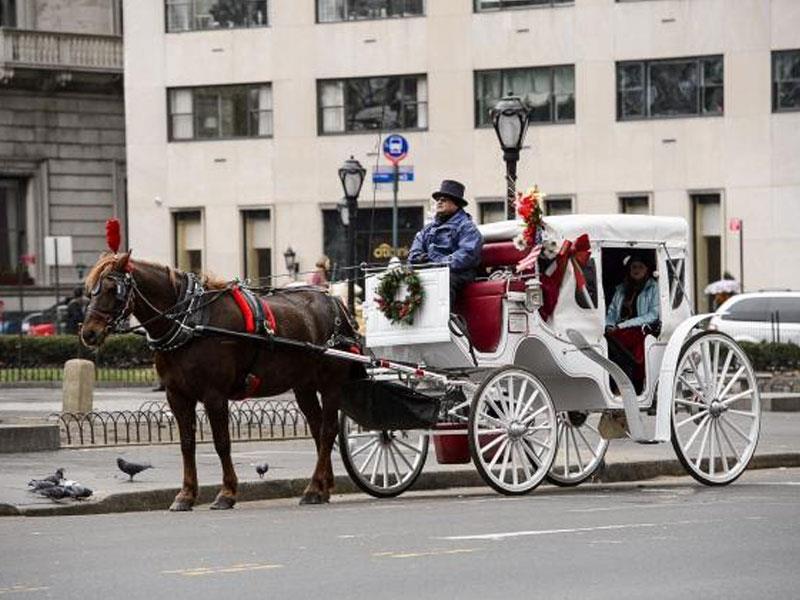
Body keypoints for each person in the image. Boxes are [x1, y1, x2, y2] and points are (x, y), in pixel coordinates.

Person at [408, 179, 483, 307]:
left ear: (456, 204)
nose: (439, 202)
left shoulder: (467, 227)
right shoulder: (428, 229)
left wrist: (440, 262)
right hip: (431, 270)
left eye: (444, 199)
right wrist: (423, 259)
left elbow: (467, 254)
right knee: (403, 279)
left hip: (459, 273)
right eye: (438, 199)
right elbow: (414, 253)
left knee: (443, 281)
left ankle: (446, 320)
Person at [605, 252, 660, 393]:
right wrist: (609, 324)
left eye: (640, 267)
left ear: (647, 269)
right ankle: (618, 385)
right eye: (633, 267)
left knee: (617, 343)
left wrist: (622, 325)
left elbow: (653, 315)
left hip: (641, 329)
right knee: (605, 342)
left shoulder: (653, 288)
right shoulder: (622, 289)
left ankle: (624, 387)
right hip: (619, 329)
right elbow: (611, 312)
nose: (636, 270)